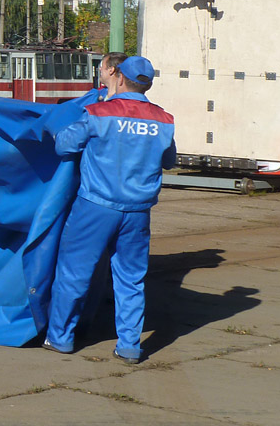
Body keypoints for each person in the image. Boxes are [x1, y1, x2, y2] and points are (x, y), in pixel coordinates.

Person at [44, 55, 176, 363]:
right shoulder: (164, 120)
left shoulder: (98, 112)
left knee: (74, 273)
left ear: (119, 78)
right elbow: (168, 161)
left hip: (96, 207)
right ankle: (129, 345)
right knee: (131, 278)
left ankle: (60, 337)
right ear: (148, 84)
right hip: (138, 211)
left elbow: (64, 145)